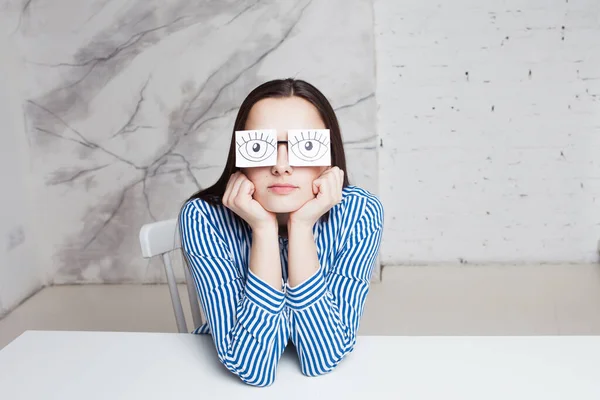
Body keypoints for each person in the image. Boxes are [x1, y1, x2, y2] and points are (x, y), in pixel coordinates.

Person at [178, 78, 384, 387]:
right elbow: (252, 366)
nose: (282, 166)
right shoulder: (204, 217)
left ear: (328, 155)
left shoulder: (360, 213)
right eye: (260, 147)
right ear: (240, 154)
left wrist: (302, 226)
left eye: (306, 146)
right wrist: (263, 229)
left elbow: (323, 357)